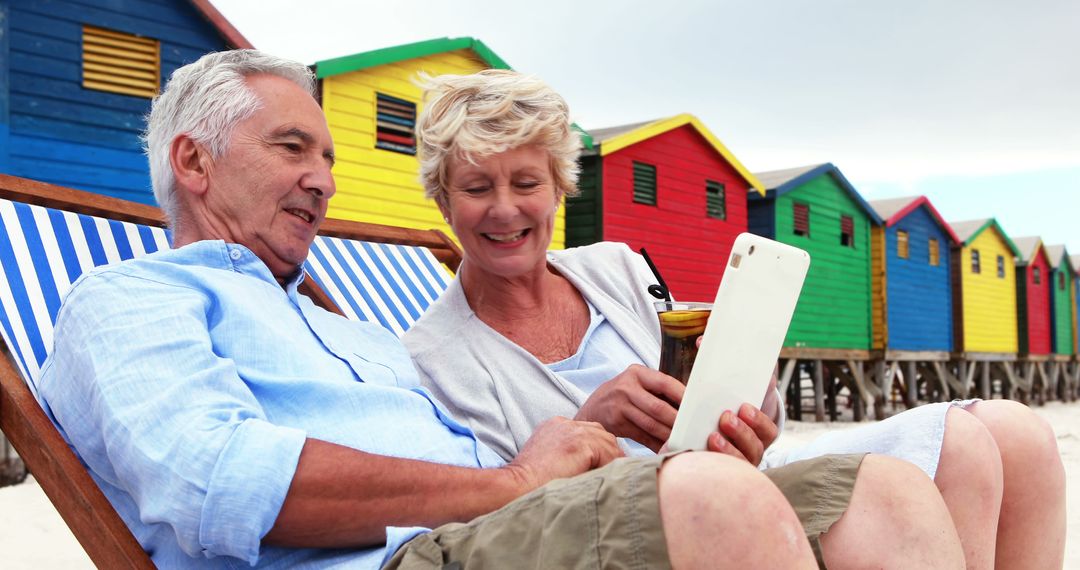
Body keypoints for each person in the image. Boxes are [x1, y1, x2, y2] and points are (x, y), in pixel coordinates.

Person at [33, 49, 899, 569]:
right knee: (719, 503)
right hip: (405, 558)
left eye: (330, 157)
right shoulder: (130, 301)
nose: (324, 180)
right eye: (293, 147)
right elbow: (217, 479)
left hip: (496, 532)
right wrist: (514, 484)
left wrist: (554, 458)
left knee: (881, 493)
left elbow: (498, 469)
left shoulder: (348, 332)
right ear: (194, 162)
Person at [402, 69, 1066, 570]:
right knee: (913, 477)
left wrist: (748, 411)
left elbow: (724, 401)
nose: (505, 210)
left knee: (1008, 432)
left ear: (558, 188)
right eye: (476, 187)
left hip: (736, 474)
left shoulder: (617, 270)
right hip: (639, 524)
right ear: (442, 197)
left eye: (526, 184)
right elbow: (502, 521)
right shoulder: (434, 354)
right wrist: (587, 423)